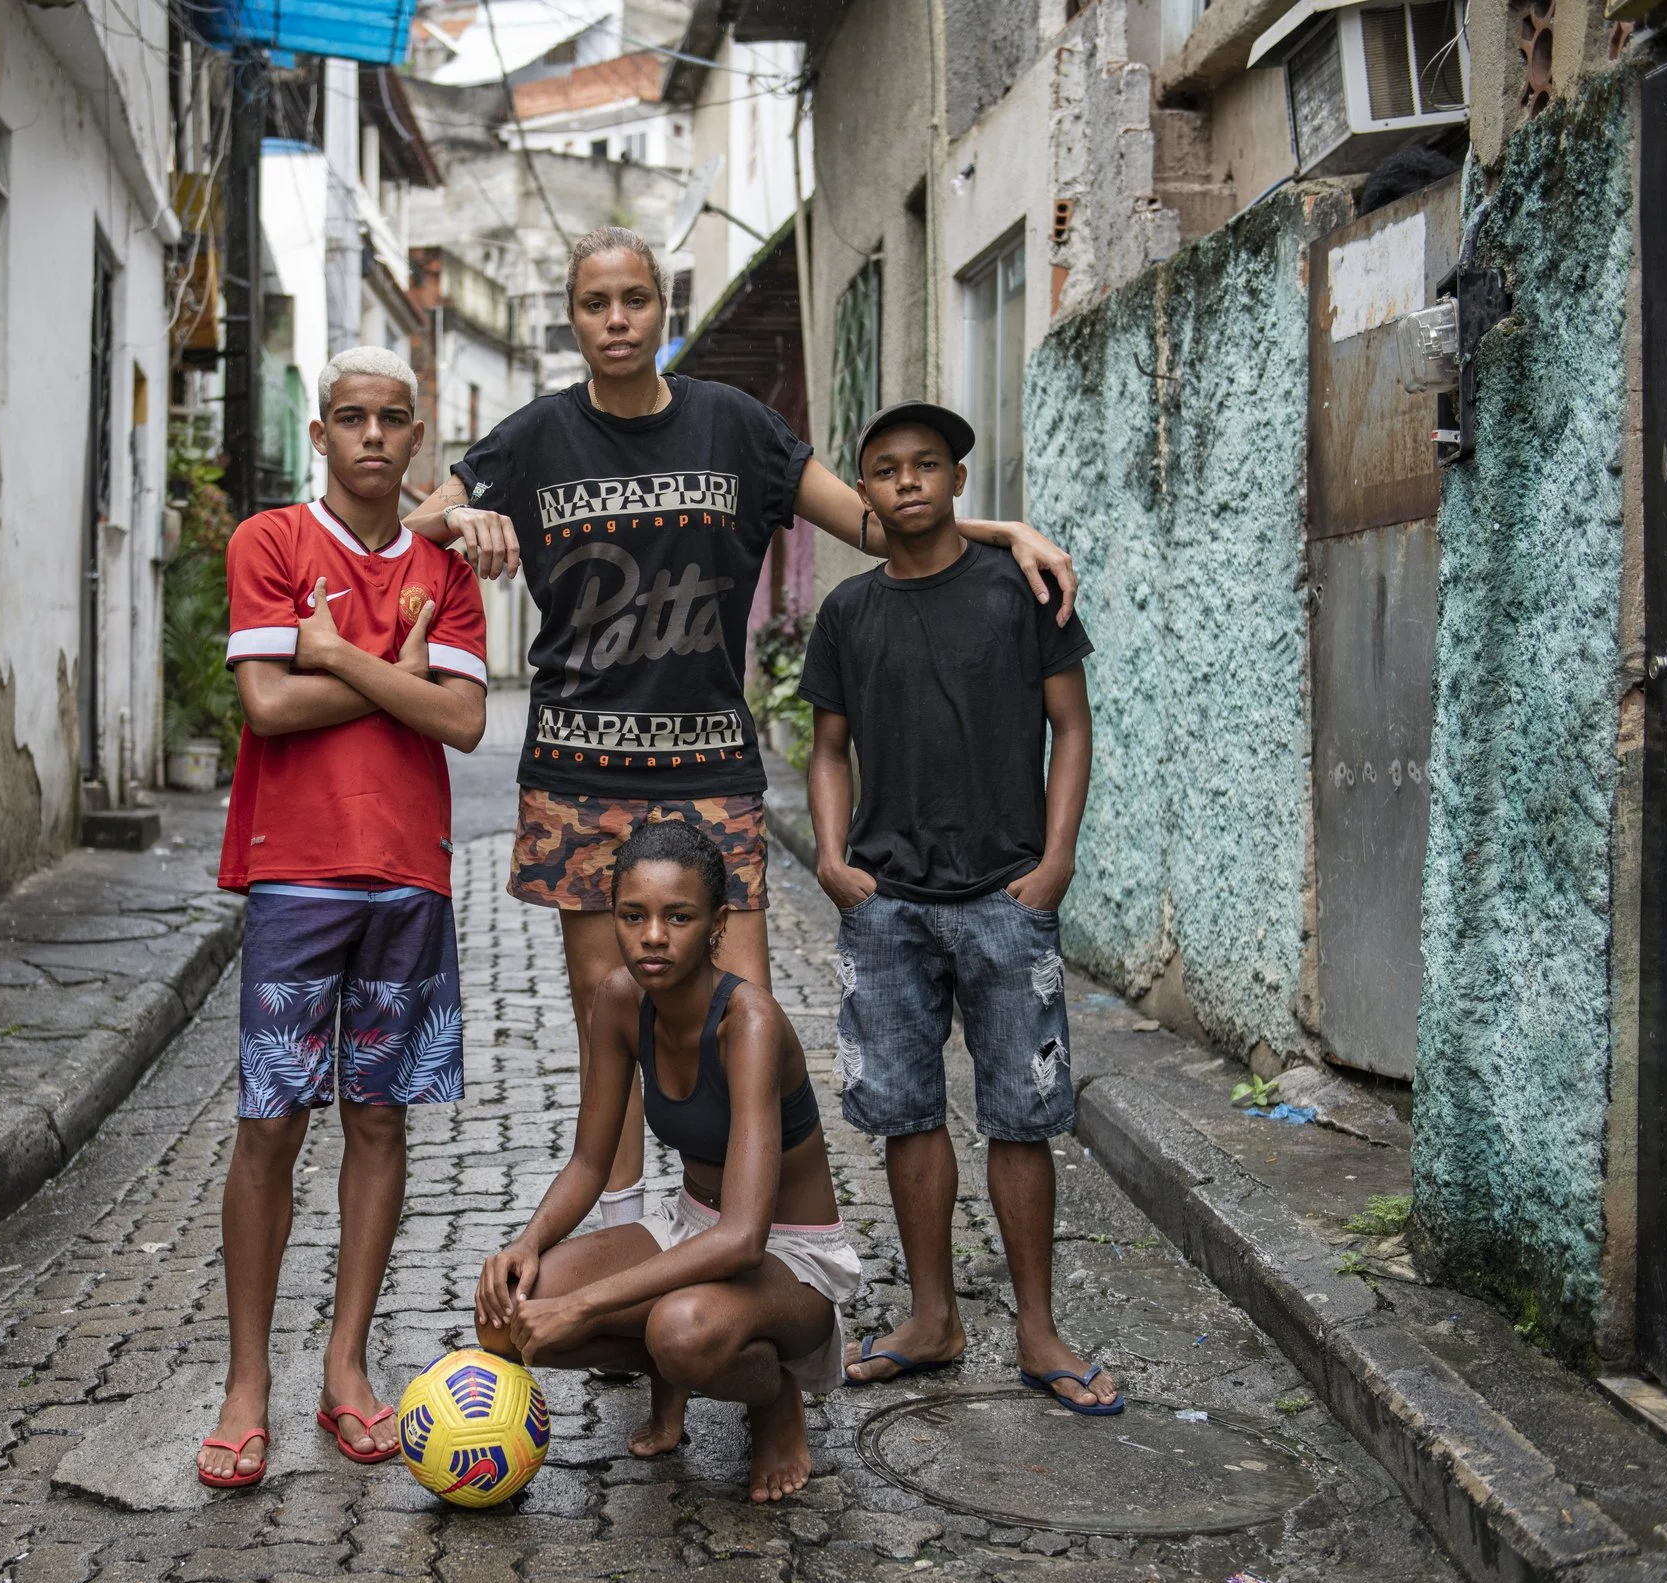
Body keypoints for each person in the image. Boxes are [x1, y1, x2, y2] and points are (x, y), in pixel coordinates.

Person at [406, 225, 1083, 1234]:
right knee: (613, 1023)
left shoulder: (734, 426)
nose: (617, 319)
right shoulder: (533, 436)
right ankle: (628, 1240)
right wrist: (465, 520)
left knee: (740, 1021)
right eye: (596, 303)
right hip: (579, 778)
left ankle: (743, 1232)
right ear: (573, 314)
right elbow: (420, 521)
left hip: (708, 771)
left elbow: (872, 519)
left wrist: (999, 530)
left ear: (662, 308)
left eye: (634, 298)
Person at [198, 347, 492, 1487]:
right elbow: (266, 705)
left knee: (379, 1119)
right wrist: (389, 668)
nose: (372, 435)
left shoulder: (444, 566)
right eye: (351, 417)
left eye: (392, 418)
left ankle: (345, 1368)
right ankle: (245, 1383)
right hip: (295, 872)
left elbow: (462, 722)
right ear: (319, 433)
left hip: (406, 874)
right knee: (271, 1123)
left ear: (417, 438)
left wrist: (333, 650)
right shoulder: (269, 543)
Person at [798, 402, 1118, 1413]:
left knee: (1022, 1118)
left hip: (1003, 894)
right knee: (905, 1115)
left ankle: (1037, 1328)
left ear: (958, 480)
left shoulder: (1018, 590)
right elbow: (827, 747)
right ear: (867, 490)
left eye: (926, 463)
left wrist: (1056, 859)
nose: (906, 483)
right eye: (884, 468)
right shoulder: (848, 614)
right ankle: (932, 1316)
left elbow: (1070, 727)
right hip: (886, 902)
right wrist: (833, 859)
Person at [474, 821, 863, 1502]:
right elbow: (590, 1162)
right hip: (690, 1229)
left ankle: (774, 1400)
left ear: (716, 924)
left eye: (677, 916)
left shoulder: (750, 1024)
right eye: (634, 915)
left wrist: (584, 1304)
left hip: (789, 1259)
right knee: (507, 1316)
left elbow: (743, 1236)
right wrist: (526, 1243)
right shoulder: (621, 1000)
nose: (653, 935)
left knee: (679, 1329)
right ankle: (668, 1374)